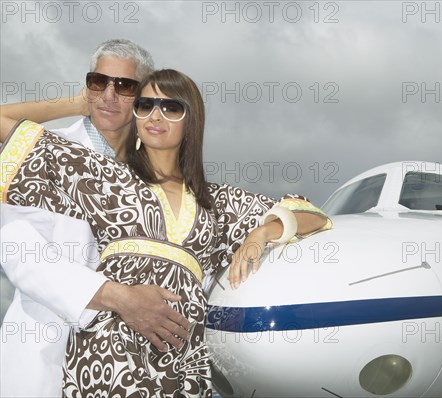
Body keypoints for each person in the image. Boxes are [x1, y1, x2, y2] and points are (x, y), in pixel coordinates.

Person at [0, 68, 331, 396]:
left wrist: (263, 233)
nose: (155, 115)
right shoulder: (102, 176)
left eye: (171, 107)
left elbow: (313, 216)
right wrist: (80, 104)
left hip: (185, 362)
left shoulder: (219, 203)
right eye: (145, 106)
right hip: (110, 353)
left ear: (191, 121)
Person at [0, 39, 191, 398]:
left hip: (127, 373)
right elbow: (20, 253)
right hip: (46, 360)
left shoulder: (158, 179)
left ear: (143, 96)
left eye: (124, 86)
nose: (109, 94)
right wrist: (118, 297)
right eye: (97, 81)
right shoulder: (43, 154)